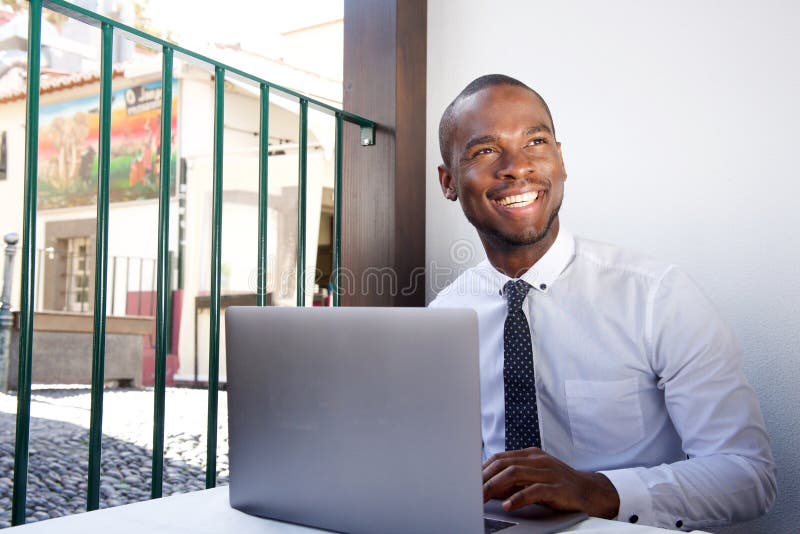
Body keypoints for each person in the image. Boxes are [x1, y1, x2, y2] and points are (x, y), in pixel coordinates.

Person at [429, 74, 776, 531]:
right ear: (449, 182)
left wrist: (598, 490)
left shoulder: (658, 297)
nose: (517, 166)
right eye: (485, 150)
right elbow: (438, 466)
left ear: (560, 160)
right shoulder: (444, 319)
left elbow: (748, 476)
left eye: (536, 141)